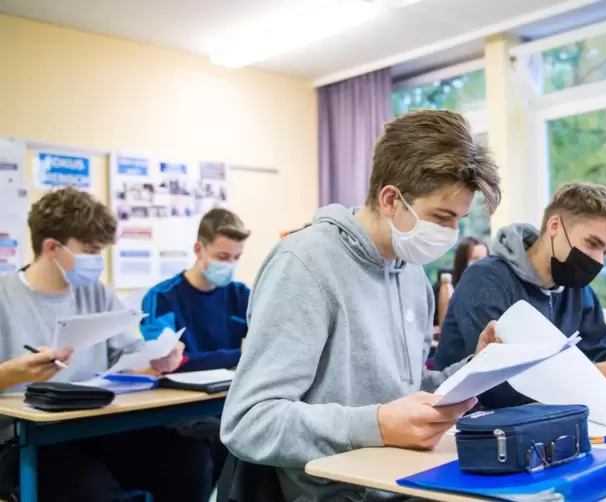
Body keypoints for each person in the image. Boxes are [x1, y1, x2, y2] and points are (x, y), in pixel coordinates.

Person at [220, 109, 502, 502]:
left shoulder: (412, 276)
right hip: (332, 492)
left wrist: (476, 369)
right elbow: (249, 422)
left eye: (458, 219)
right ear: (390, 199)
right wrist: (376, 426)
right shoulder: (304, 265)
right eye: (441, 216)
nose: (451, 234)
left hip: (400, 479)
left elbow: (403, 391)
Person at [0, 188, 211, 502]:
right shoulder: (5, 298)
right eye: (89, 250)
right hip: (25, 442)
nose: (97, 260)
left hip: (96, 428)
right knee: (91, 490)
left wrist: (159, 360)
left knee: (189, 460)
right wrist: (14, 374)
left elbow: (129, 360)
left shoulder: (97, 294)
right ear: (51, 248)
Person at [434, 182, 606, 406]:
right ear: (555, 226)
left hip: (545, 420)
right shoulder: (487, 280)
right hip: (469, 428)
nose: (597, 260)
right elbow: (496, 388)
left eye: (605, 252)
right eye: (591, 243)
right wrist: (603, 377)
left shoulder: (577, 289)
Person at [141, 207, 251, 372]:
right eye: (222, 257)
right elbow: (169, 361)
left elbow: (267, 348)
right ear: (198, 249)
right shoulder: (161, 297)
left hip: (227, 392)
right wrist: (240, 355)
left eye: (236, 257)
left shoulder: (242, 295)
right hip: (180, 396)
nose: (230, 264)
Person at [435, 237, 490, 326]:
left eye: (486, 258)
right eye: (476, 258)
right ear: (463, 262)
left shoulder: (491, 291)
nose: (483, 263)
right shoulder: (444, 289)